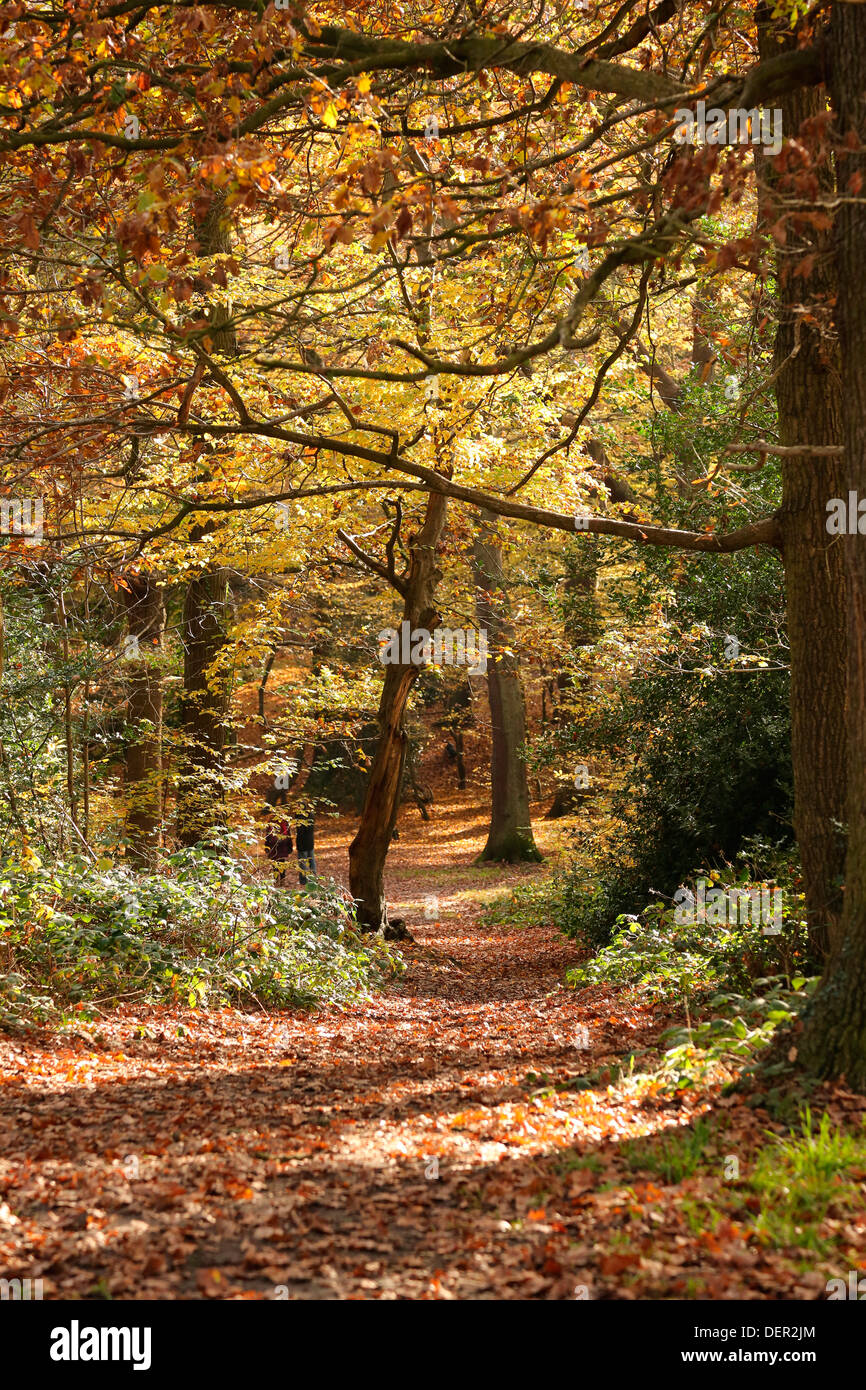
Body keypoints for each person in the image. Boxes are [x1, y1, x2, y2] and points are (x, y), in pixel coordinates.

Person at [265, 819, 293, 886]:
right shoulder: (283, 822)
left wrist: (266, 846)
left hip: (279, 846)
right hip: (277, 846)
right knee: (279, 864)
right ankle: (278, 880)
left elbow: (288, 835)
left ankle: (279, 880)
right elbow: (268, 836)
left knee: (278, 864)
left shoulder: (283, 822)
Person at [295, 817, 317, 886]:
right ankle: (313, 879)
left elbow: (300, 832)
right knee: (312, 861)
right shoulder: (311, 814)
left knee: (302, 863)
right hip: (310, 842)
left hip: (302, 844)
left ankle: (303, 880)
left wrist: (298, 843)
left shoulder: (300, 816)